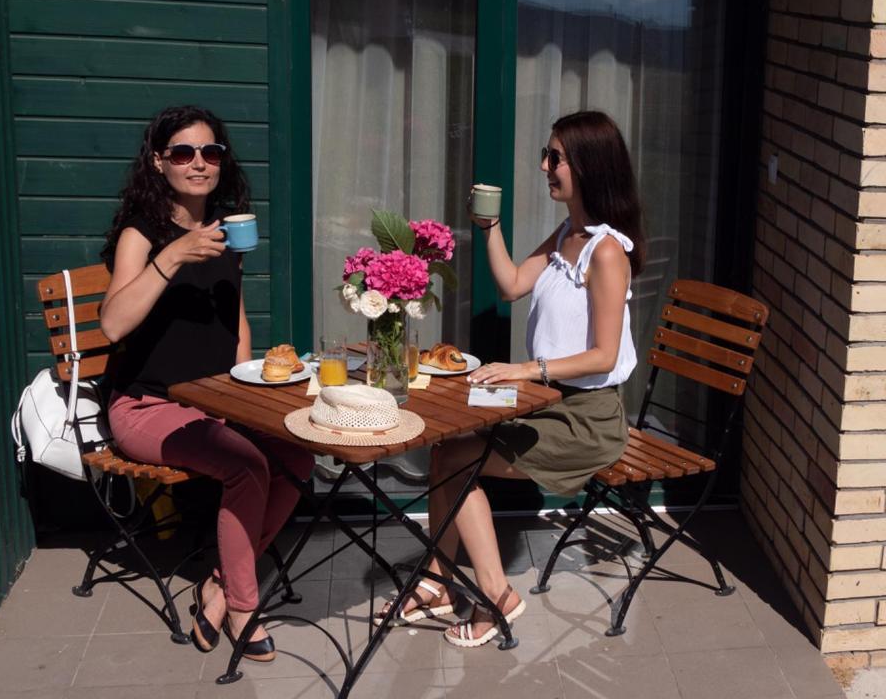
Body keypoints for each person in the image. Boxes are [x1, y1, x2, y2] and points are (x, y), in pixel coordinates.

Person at [377, 110, 645, 647]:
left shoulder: (607, 250)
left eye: (555, 158)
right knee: (446, 448)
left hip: (587, 419)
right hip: (544, 402)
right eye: (546, 155)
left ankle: (497, 597)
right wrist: (490, 228)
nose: (544, 165)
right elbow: (512, 284)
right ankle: (436, 580)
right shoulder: (568, 232)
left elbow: (603, 354)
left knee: (458, 457)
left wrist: (527, 368)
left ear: (587, 166)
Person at [100, 105, 314, 661]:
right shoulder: (141, 234)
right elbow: (113, 323)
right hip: (147, 407)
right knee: (245, 466)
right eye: (183, 153)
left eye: (210, 152)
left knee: (298, 457)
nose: (199, 163)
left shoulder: (225, 230)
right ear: (158, 161)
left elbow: (233, 318)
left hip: (213, 405)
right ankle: (244, 606)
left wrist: (247, 393)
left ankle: (217, 584)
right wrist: (171, 256)